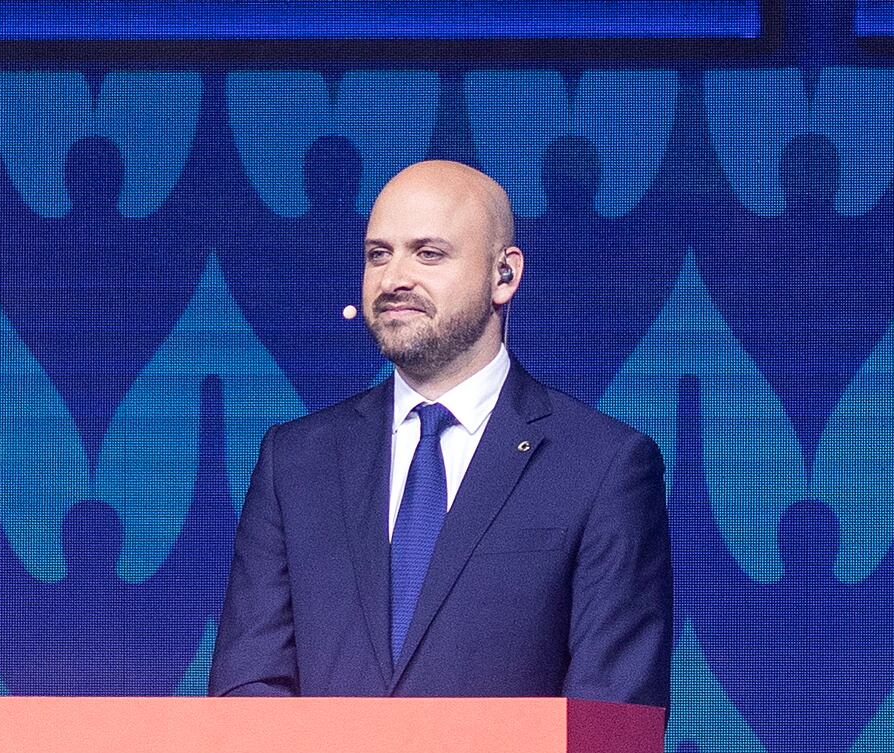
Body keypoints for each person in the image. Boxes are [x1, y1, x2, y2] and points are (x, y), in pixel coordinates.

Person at [213, 157, 671, 711]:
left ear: (504, 275)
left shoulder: (603, 464)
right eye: (378, 254)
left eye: (428, 253)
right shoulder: (296, 460)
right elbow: (248, 688)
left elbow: (609, 717)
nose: (394, 278)